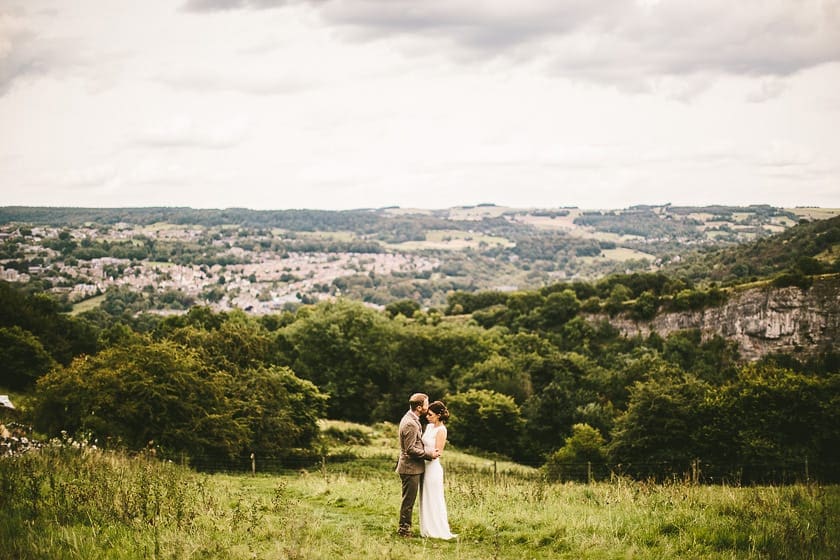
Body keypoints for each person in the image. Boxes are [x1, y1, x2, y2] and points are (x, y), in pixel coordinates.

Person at [395, 393, 440, 537]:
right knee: (408, 501)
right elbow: (410, 449)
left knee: (410, 499)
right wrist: (429, 454)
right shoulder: (410, 423)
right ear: (419, 407)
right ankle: (404, 530)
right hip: (410, 468)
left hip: (414, 467)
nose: (428, 406)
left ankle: (406, 527)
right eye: (427, 404)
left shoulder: (413, 419)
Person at [419, 400, 457, 540]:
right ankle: (426, 528)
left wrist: (424, 454)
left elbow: (438, 452)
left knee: (434, 498)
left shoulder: (442, 430)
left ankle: (437, 529)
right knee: (425, 498)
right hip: (423, 466)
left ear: (438, 415)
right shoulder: (429, 427)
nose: (427, 416)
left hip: (433, 468)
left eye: (430, 414)